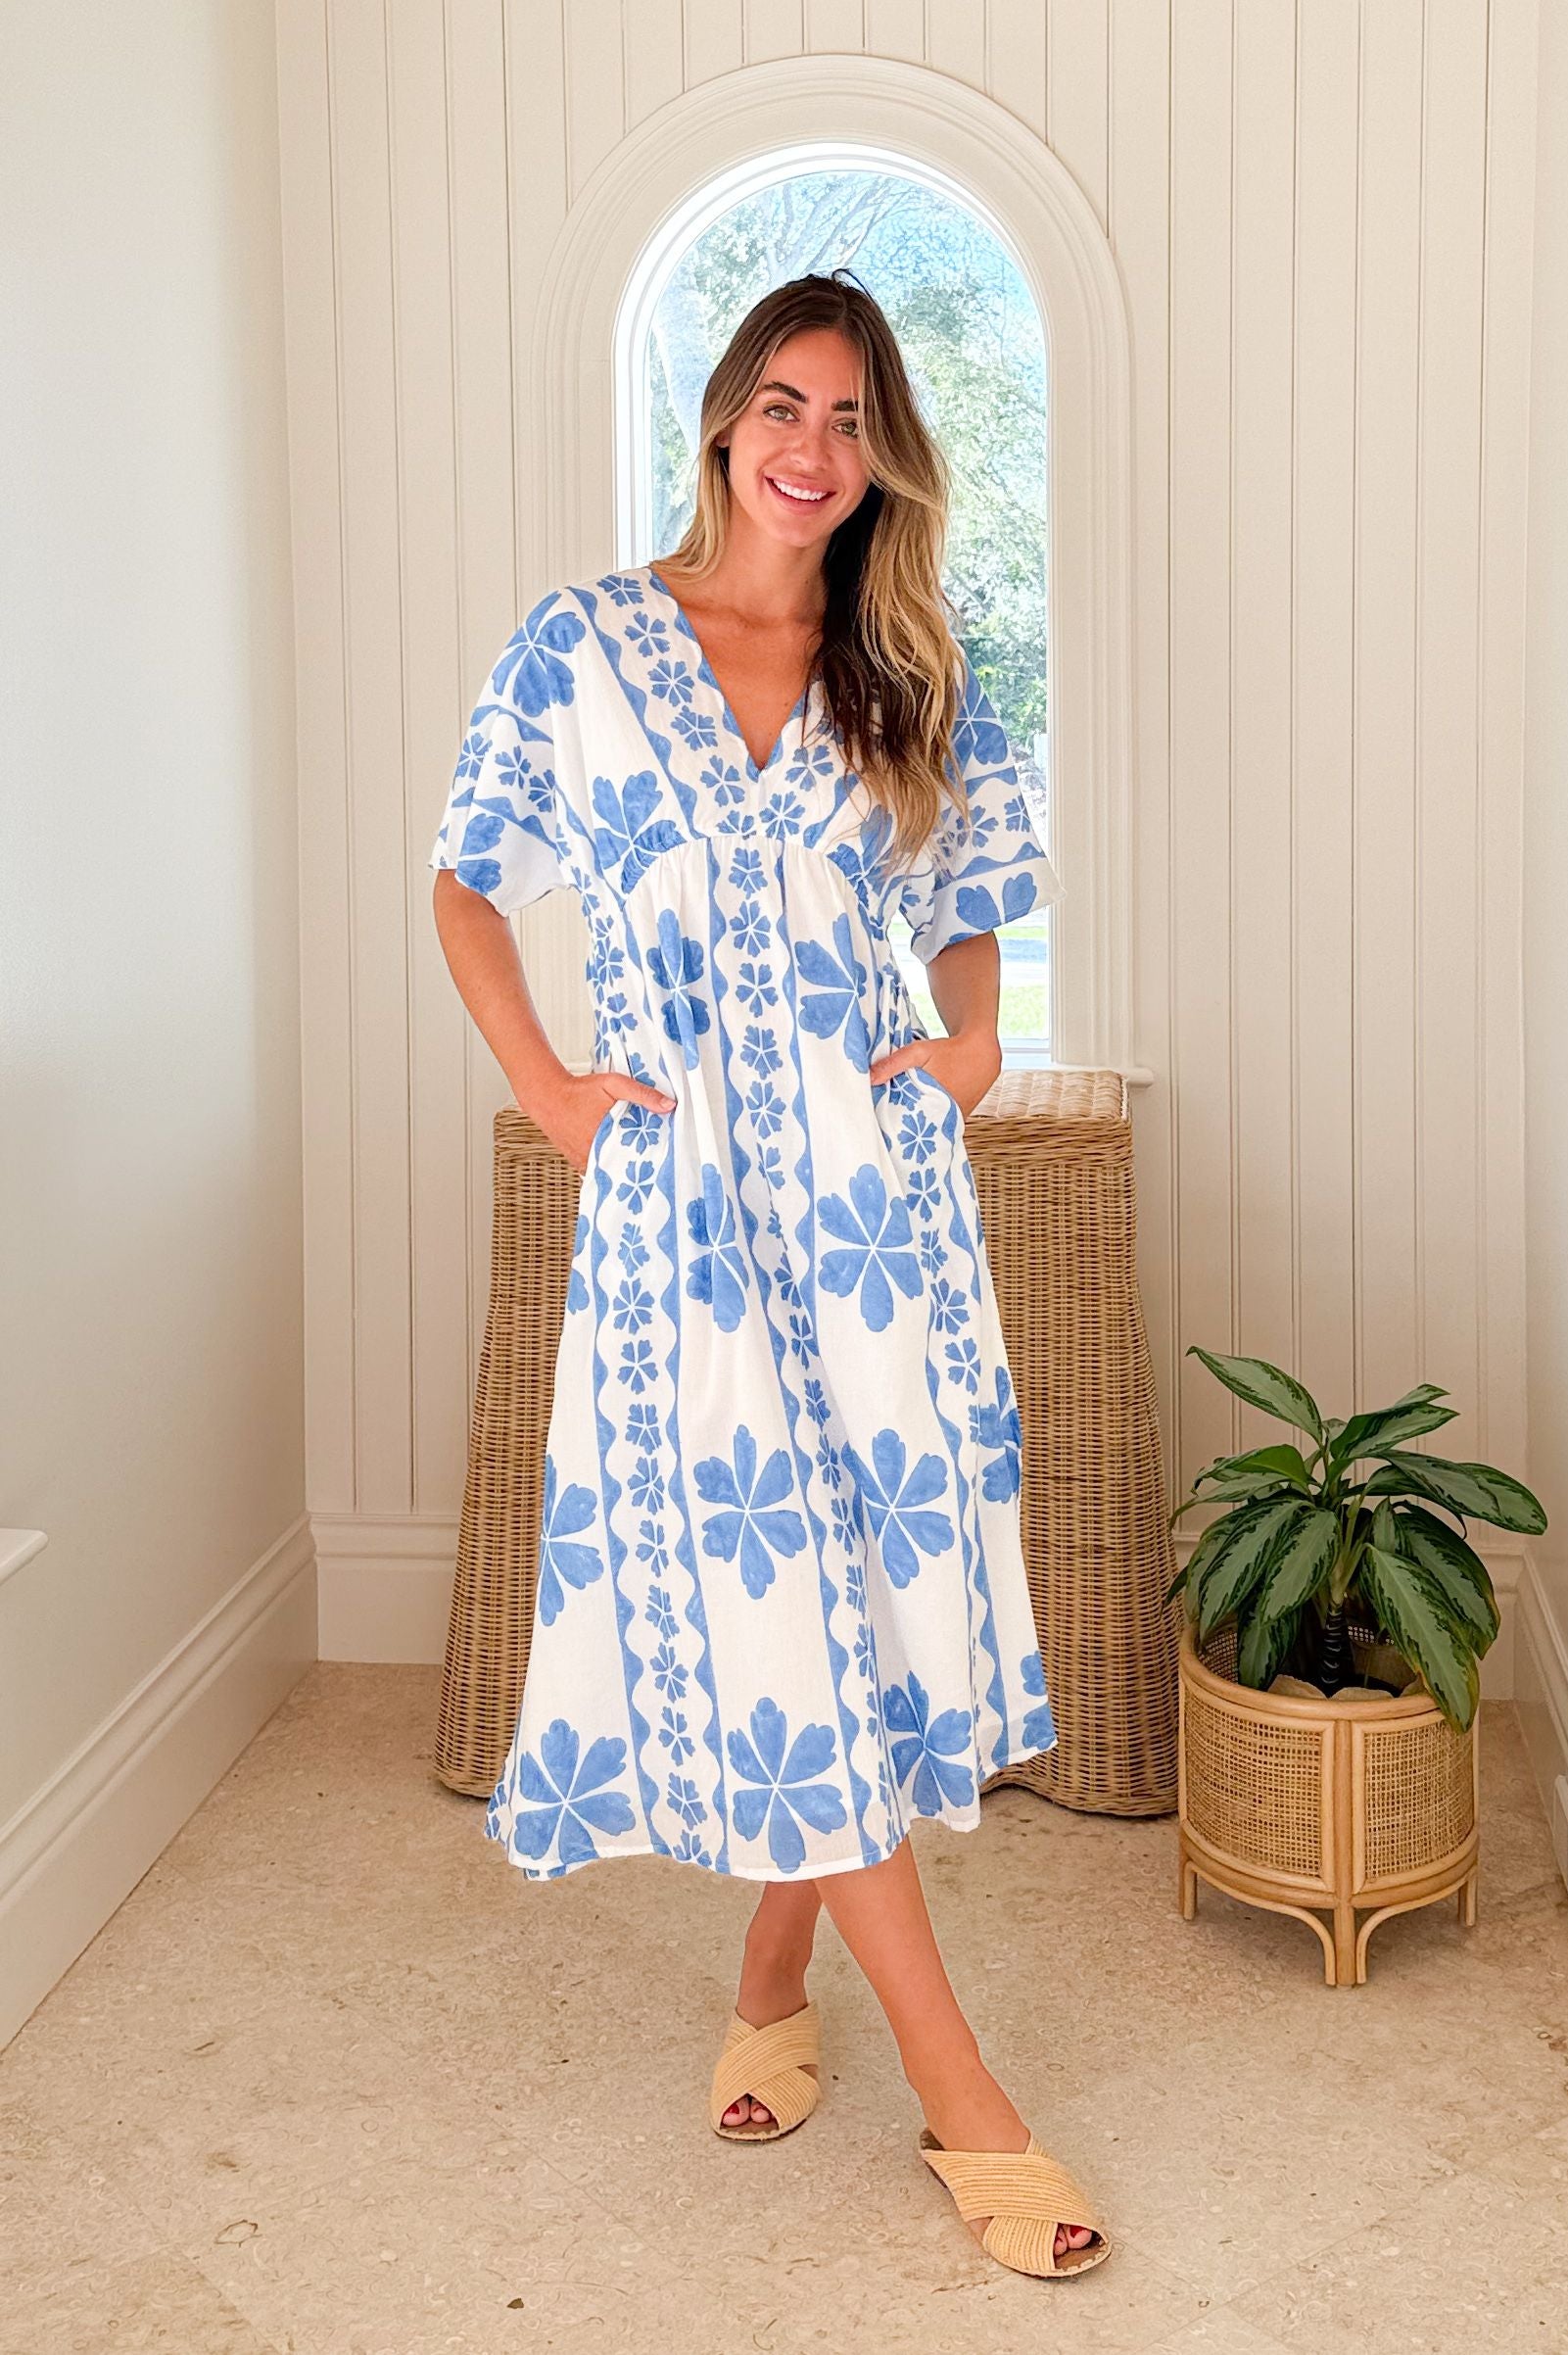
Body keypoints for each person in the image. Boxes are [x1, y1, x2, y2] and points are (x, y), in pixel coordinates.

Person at [428, 270, 1112, 2281]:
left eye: (851, 419)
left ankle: (766, 1967)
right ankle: (966, 2101)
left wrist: (968, 1048)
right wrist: (555, 1091)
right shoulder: (584, 643)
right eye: (784, 404)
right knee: (779, 1586)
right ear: (724, 416)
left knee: (857, 1590)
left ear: (881, 459)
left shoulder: (903, 666)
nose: (812, 446)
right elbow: (467, 877)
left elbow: (974, 899)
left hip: (871, 1204)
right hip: (678, 1209)